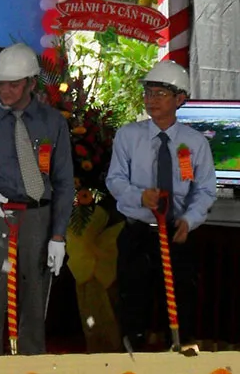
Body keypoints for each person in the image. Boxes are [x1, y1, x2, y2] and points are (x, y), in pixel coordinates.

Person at [0, 42, 74, 355]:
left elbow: (64, 183)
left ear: (31, 83)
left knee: (34, 300)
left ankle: (30, 363)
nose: (4, 90)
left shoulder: (53, 122)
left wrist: (58, 236)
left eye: (13, 84)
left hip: (38, 217)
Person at [106, 60, 216, 351]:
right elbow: (114, 179)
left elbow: (205, 190)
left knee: (180, 315)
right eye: (148, 93)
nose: (151, 100)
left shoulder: (195, 143)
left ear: (180, 99)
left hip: (177, 235)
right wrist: (139, 196)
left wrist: (189, 220)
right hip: (137, 235)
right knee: (133, 312)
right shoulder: (128, 136)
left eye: (160, 94)